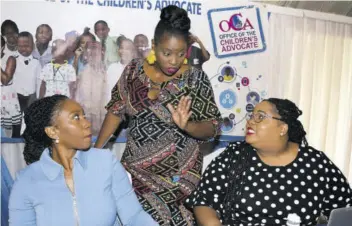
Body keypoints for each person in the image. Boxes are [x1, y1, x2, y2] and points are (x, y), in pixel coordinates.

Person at [95, 5, 222, 226]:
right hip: (134, 177)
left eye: (181, 54)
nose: (174, 60)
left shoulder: (196, 79)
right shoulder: (134, 71)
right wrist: (95, 153)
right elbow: (116, 110)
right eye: (167, 53)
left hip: (178, 181)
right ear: (154, 46)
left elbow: (212, 128)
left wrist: (187, 126)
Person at [186, 98, 352, 226]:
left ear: (283, 128)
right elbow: (203, 200)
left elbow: (344, 209)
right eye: (251, 116)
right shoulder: (233, 156)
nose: (250, 121)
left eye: (260, 117)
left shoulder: (316, 164)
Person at [8, 95, 158, 226]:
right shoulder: (27, 181)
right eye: (76, 117)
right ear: (53, 131)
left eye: (84, 116)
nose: (87, 123)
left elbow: (134, 217)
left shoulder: (105, 162)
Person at [75, 41, 107, 136]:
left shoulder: (107, 70)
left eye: (95, 48)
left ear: (102, 51)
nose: (93, 51)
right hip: (85, 116)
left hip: (101, 117)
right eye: (90, 48)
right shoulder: (82, 70)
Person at [13, 32, 41, 116]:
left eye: (26, 46)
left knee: (31, 118)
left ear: (33, 46)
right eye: (20, 46)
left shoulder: (37, 62)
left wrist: (39, 98)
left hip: (31, 97)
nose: (23, 49)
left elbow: (38, 81)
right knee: (16, 119)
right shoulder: (13, 60)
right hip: (16, 96)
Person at [1, 35, 21, 138]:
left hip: (7, 100)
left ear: (2, 46)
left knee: (10, 135)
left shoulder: (10, 58)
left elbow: (5, 80)